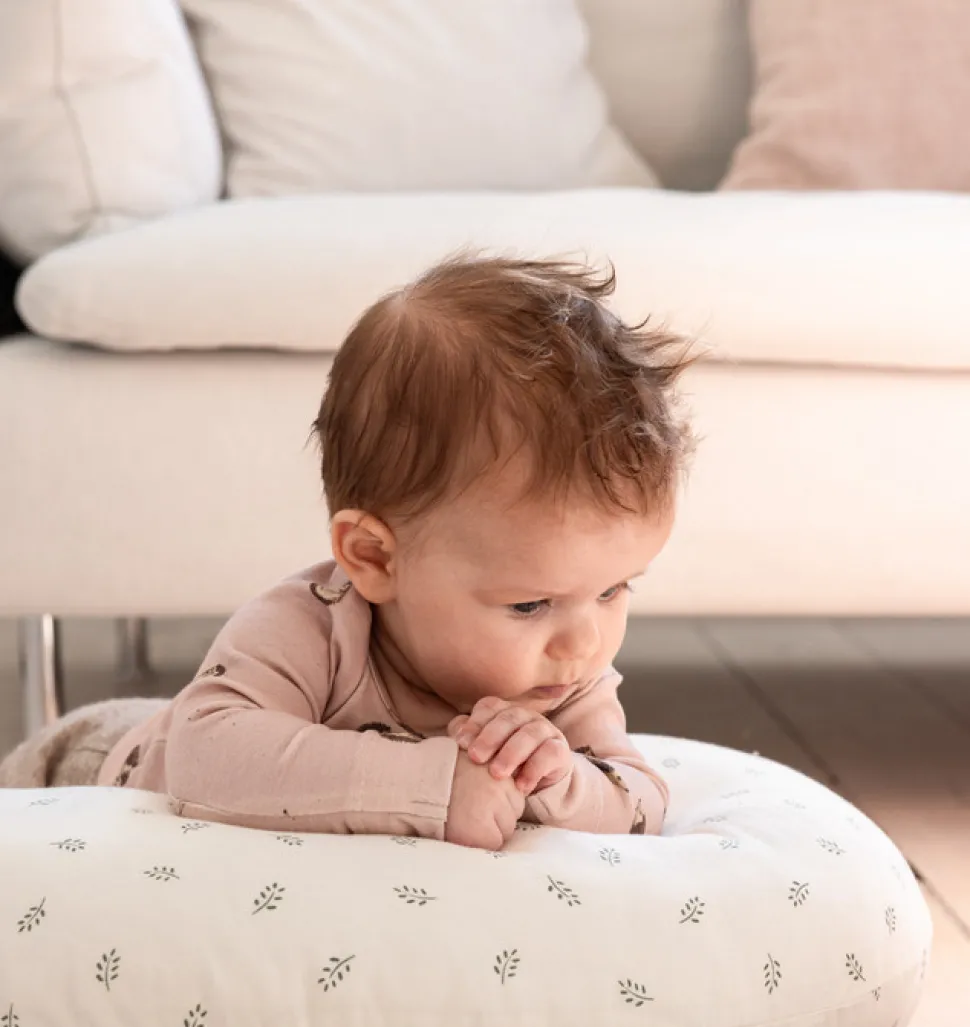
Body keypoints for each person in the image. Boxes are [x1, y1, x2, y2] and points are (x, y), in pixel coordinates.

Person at [0, 254, 695, 851]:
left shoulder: (560, 681)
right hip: (97, 758)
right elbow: (202, 752)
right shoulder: (310, 624)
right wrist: (435, 784)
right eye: (530, 603)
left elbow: (636, 799)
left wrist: (560, 780)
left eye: (614, 590)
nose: (585, 642)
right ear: (373, 558)